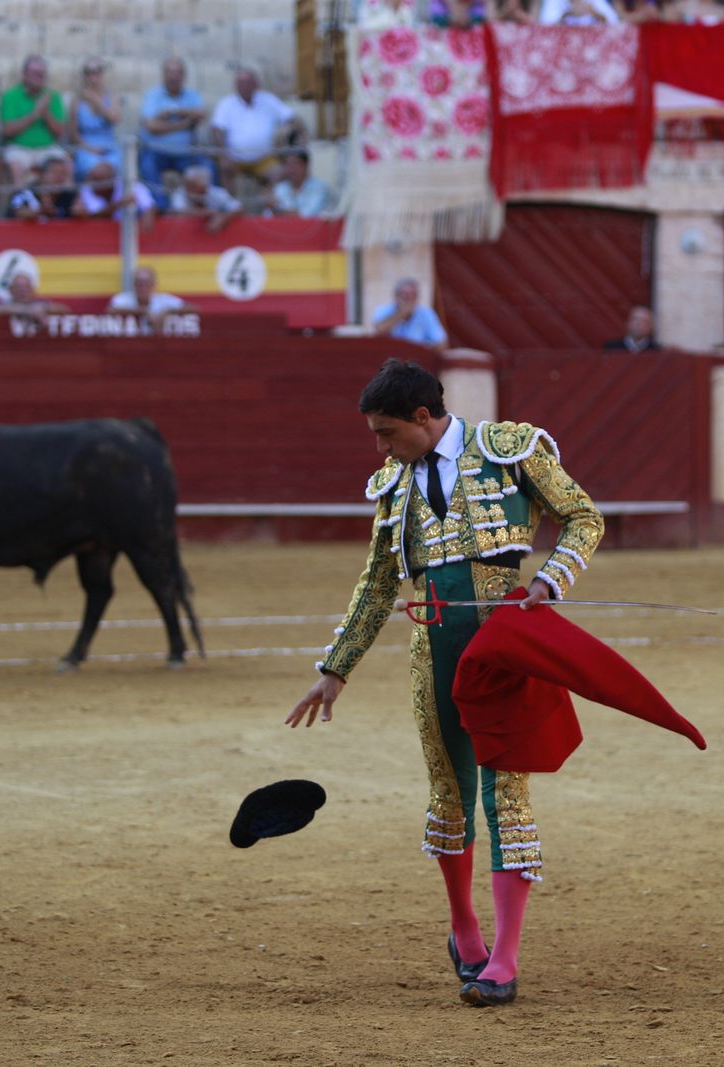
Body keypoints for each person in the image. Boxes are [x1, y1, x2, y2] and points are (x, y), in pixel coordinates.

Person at [286, 358, 605, 1008]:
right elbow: (378, 582)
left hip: (503, 648)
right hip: (433, 651)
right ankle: (465, 929)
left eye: (387, 432)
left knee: (506, 793)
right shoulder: (394, 483)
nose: (381, 449)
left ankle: (504, 960)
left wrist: (550, 580)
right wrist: (335, 668)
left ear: (423, 417)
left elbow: (583, 517)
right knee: (449, 792)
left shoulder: (510, 449)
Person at [209, 69, 304, 187]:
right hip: (235, 158)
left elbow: (292, 118)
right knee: (224, 169)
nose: (244, 86)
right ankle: (230, 200)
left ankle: (272, 199)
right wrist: (224, 155)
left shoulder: (268, 100)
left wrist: (301, 136)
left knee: (279, 173)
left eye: (248, 83)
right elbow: (217, 129)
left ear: (256, 84)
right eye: (241, 83)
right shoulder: (226, 103)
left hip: (264, 158)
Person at [139, 57, 211, 196]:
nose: (173, 77)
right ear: (163, 75)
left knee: (208, 166)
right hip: (156, 152)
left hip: (186, 153)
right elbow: (151, 126)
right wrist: (184, 124)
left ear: (184, 76)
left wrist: (173, 112)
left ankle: (205, 206)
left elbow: (201, 114)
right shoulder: (152, 96)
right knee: (147, 165)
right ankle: (159, 206)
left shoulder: (192, 95)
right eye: (169, 72)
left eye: (176, 73)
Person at [0, 54, 68, 185]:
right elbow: (7, 131)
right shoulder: (10, 96)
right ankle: (21, 198)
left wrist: (46, 113)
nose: (39, 77)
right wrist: (34, 114)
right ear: (24, 74)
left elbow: (60, 132)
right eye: (35, 73)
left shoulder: (53, 96)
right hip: (19, 148)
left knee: (66, 164)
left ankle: (63, 199)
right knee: (16, 166)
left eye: (42, 74)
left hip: (48, 148)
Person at [68, 59, 122, 179]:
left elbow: (114, 119)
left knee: (111, 168)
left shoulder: (112, 96)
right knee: (97, 171)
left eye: (97, 72)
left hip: (109, 146)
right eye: (89, 73)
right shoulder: (76, 100)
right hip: (86, 147)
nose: (93, 77)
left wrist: (96, 101)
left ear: (102, 74)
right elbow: (73, 134)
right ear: (84, 76)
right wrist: (90, 149)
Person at [107, 265, 197, 334]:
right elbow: (110, 310)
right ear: (134, 285)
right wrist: (143, 312)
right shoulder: (124, 299)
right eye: (139, 283)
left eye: (146, 283)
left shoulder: (163, 300)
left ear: (153, 285)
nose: (143, 287)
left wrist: (167, 312)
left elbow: (194, 309)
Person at [372, 277, 448, 350]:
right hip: (390, 356)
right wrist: (401, 313)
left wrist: (424, 347)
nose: (409, 298)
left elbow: (441, 343)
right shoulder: (383, 310)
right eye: (405, 295)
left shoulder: (426, 314)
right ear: (396, 296)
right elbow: (380, 331)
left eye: (413, 295)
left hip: (416, 356)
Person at [73, 160, 157, 225]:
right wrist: (119, 204)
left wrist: (147, 215)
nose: (95, 185)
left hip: (126, 232)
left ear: (111, 180)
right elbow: (96, 216)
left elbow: (149, 205)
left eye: (99, 181)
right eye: (93, 179)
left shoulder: (128, 185)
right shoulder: (87, 189)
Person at [168, 164, 240, 232]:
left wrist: (222, 219)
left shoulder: (217, 193)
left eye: (195, 186)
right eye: (189, 185)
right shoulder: (180, 193)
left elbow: (238, 208)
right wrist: (209, 213)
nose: (190, 188)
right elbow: (177, 211)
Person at [0, 272, 70, 329]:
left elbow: (65, 309)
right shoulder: (6, 304)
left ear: (32, 289)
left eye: (26, 287)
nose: (22, 291)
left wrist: (45, 309)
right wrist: (28, 310)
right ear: (11, 290)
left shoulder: (40, 303)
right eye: (18, 287)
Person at [8, 154, 76, 220]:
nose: (59, 177)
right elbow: (18, 212)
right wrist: (41, 211)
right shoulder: (24, 193)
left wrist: (78, 212)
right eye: (54, 172)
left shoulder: (68, 196)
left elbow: (76, 211)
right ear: (41, 174)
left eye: (63, 173)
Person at [270, 150, 334, 218]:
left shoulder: (320, 188)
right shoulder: (280, 188)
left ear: (306, 166)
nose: (291, 169)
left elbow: (306, 215)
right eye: (287, 164)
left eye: (295, 164)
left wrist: (277, 209)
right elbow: (269, 216)